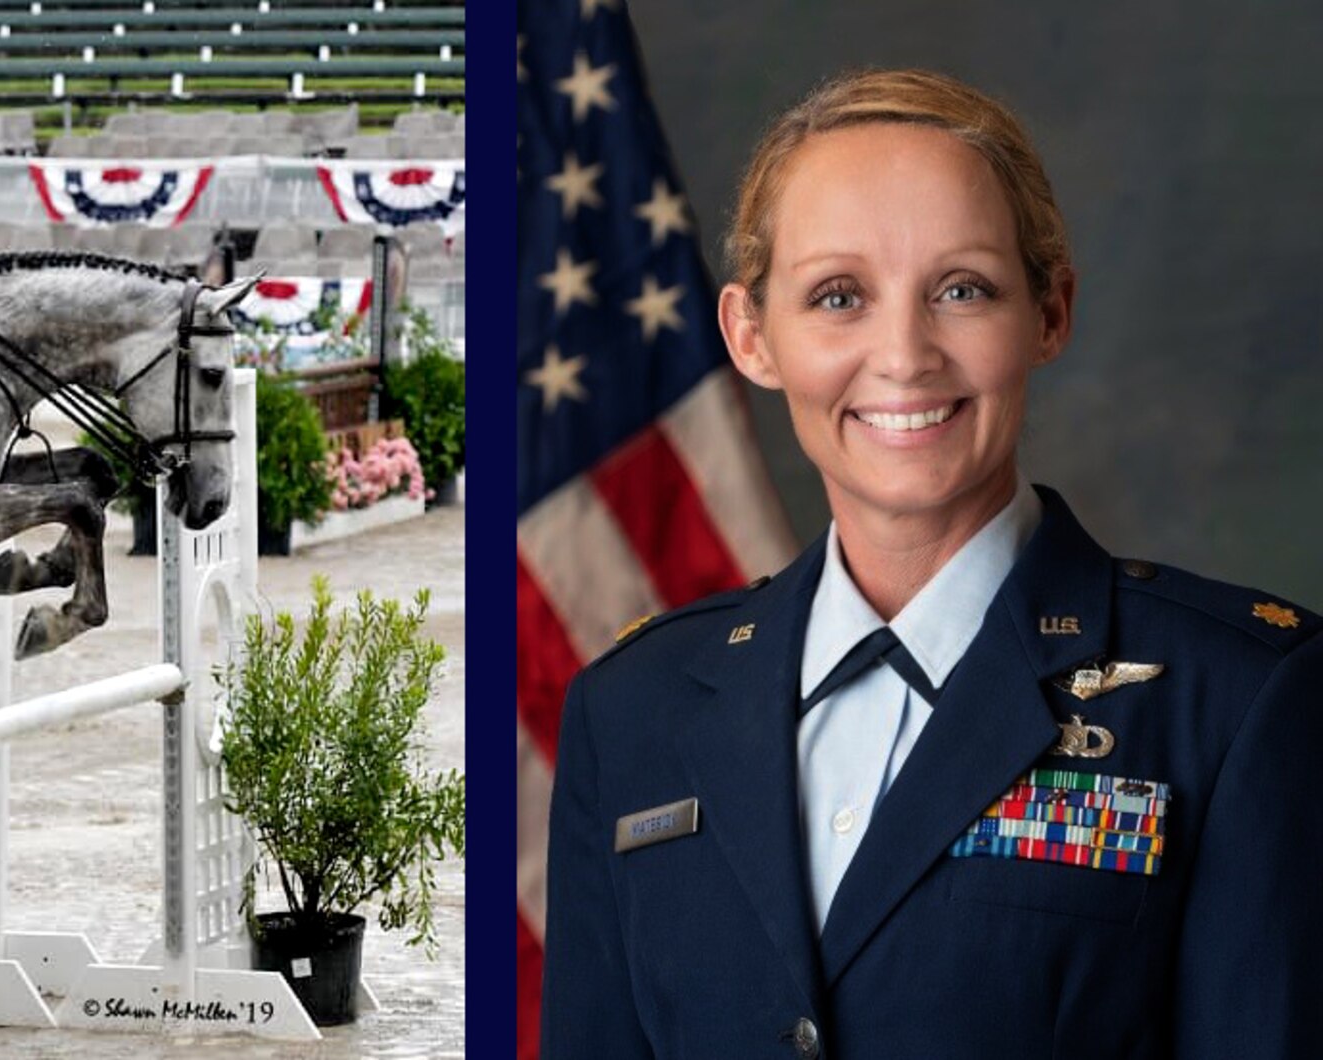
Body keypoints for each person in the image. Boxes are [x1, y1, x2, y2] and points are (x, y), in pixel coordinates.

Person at [540, 68, 1323, 1059]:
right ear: (749, 335)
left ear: (1048, 312)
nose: (903, 354)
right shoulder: (632, 709)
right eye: (837, 296)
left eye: (960, 289)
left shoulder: (1240, 700)